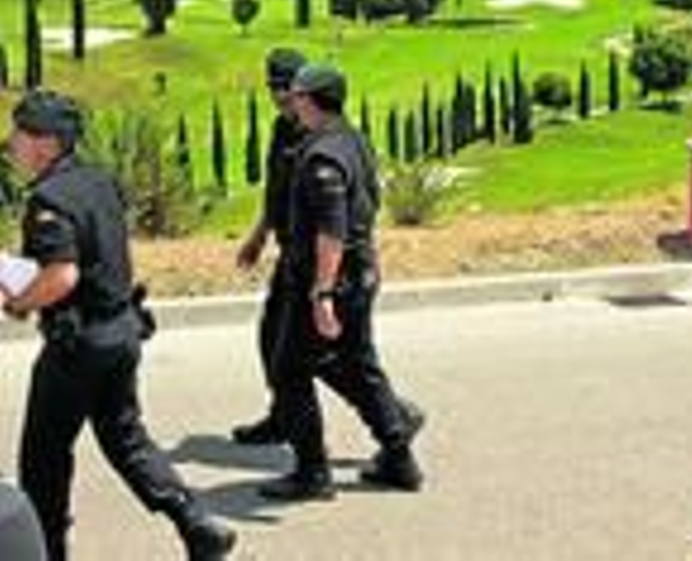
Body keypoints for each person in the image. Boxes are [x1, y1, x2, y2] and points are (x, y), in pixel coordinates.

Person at [5, 90, 235, 560]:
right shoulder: (98, 179)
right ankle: (197, 523)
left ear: (47, 144)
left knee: (44, 455)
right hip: (121, 331)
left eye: (20, 134)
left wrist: (18, 302)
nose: (11, 143)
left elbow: (62, 274)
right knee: (126, 438)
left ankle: (46, 551)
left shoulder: (49, 198)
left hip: (79, 347)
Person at [260, 64, 424, 501]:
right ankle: (399, 458)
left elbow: (331, 230)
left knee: (288, 370)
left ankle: (312, 472)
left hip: (332, 278)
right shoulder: (352, 139)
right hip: (361, 270)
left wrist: (322, 293)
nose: (289, 101)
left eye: (296, 95)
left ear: (311, 100)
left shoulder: (322, 157)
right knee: (358, 365)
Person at [231, 48, 307, 445]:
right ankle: (283, 415)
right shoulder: (282, 129)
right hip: (290, 250)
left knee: (338, 359)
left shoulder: (320, 130)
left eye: (286, 86)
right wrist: (259, 235)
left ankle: (394, 417)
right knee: (272, 334)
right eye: (273, 86)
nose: (279, 95)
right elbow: (276, 190)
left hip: (317, 255)